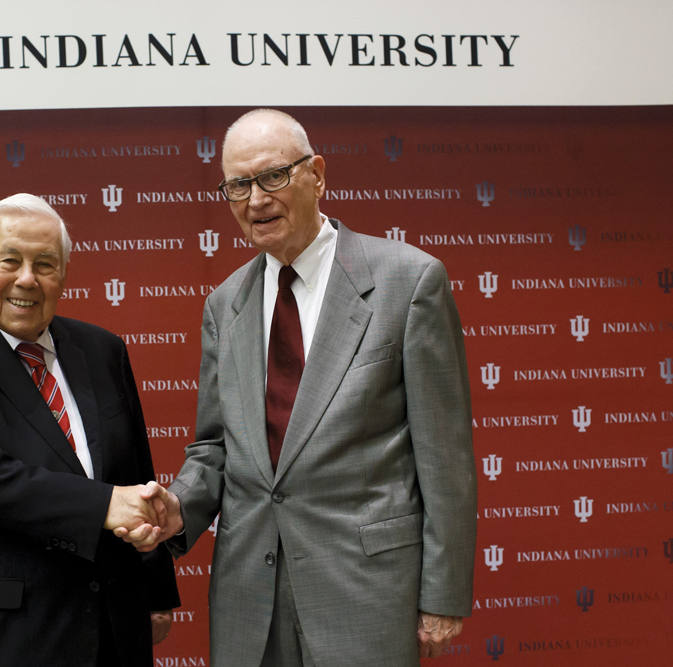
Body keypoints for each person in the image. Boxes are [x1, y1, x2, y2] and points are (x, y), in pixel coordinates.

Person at [120, 109, 477, 666]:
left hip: (366, 589)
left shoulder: (409, 283)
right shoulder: (224, 306)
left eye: (273, 176)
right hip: (248, 594)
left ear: (317, 174)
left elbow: (444, 456)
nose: (255, 199)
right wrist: (177, 509)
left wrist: (442, 594)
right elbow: (214, 449)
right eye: (238, 185)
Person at [0, 193, 179, 666]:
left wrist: (154, 590)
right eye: (10, 260)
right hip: (13, 634)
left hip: (115, 623)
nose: (27, 279)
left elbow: (137, 470)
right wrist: (102, 506)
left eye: (45, 264)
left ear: (63, 275)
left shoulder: (102, 349)